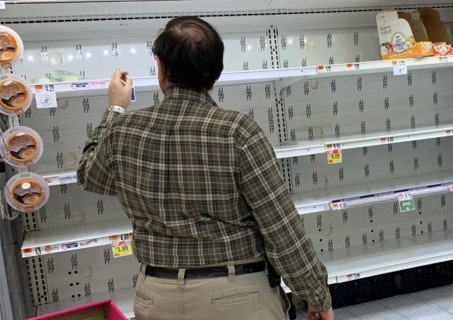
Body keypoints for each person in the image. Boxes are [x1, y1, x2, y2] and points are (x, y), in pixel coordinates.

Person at [77, 16, 334, 320]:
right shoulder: (238, 132)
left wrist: (116, 110)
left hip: (156, 296)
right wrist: (316, 296)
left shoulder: (124, 131)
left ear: (160, 67)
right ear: (217, 70)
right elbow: (281, 230)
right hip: (237, 296)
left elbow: (89, 176)